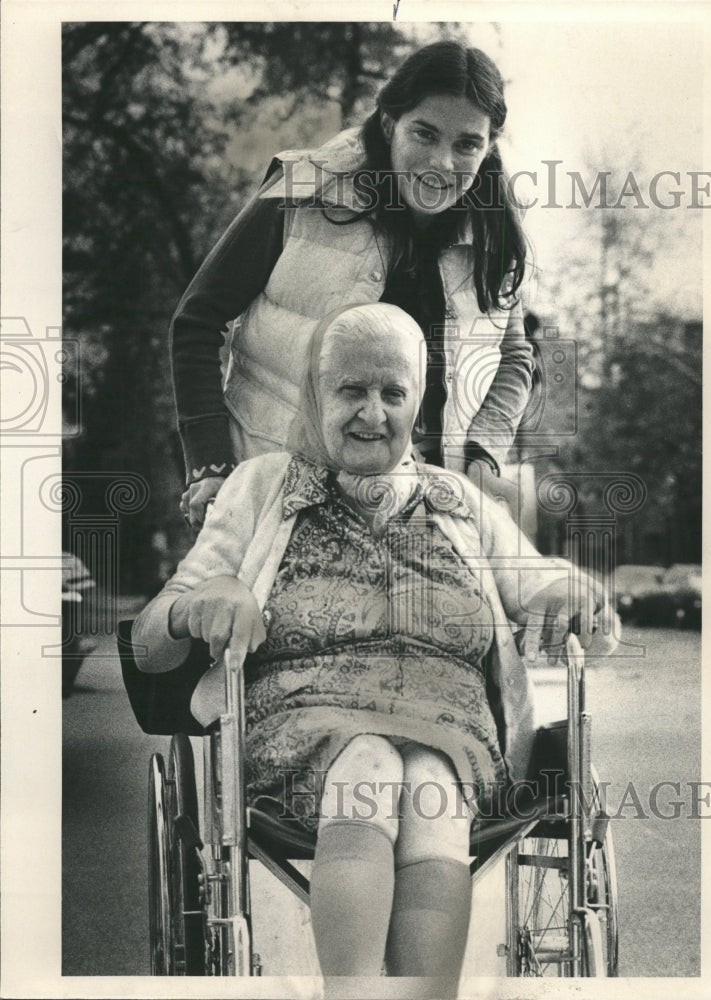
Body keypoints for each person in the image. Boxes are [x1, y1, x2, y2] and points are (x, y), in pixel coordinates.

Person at [136, 304, 615, 997]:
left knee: (430, 788)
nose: (373, 412)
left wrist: (579, 598)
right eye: (350, 390)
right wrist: (198, 603)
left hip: (449, 728)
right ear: (313, 392)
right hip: (305, 719)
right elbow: (153, 638)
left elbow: (538, 578)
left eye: (392, 392)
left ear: (416, 401)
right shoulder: (259, 488)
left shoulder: (459, 500)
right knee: (369, 760)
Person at [172, 39, 534, 532]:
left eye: (467, 144)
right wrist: (211, 468)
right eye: (424, 134)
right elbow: (197, 319)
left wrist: (482, 453)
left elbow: (516, 359)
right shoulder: (301, 191)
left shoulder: (496, 238)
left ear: (489, 145)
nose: (442, 163)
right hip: (275, 495)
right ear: (389, 124)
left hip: (421, 512)